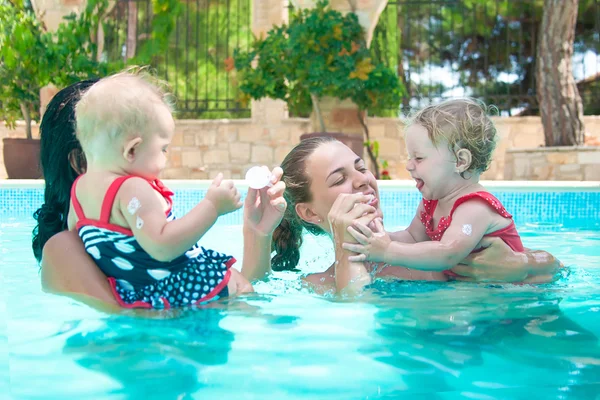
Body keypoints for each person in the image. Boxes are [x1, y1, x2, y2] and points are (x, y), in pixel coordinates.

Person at [33, 78, 286, 310]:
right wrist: (211, 207)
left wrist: (257, 232)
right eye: (162, 149)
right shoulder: (63, 249)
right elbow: (144, 323)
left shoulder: (100, 226)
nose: (163, 163)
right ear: (81, 161)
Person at [253, 135, 564, 295]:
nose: (362, 179)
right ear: (308, 212)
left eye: (361, 168)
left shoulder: (424, 245)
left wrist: (522, 265)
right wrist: (256, 233)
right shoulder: (316, 286)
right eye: (339, 179)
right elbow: (357, 325)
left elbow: (557, 268)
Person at [342, 98, 536, 282]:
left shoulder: (475, 207)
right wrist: (377, 239)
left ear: (460, 161)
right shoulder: (433, 201)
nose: (409, 165)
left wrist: (388, 250)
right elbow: (412, 237)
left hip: (516, 296)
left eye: (418, 158)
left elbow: (447, 252)